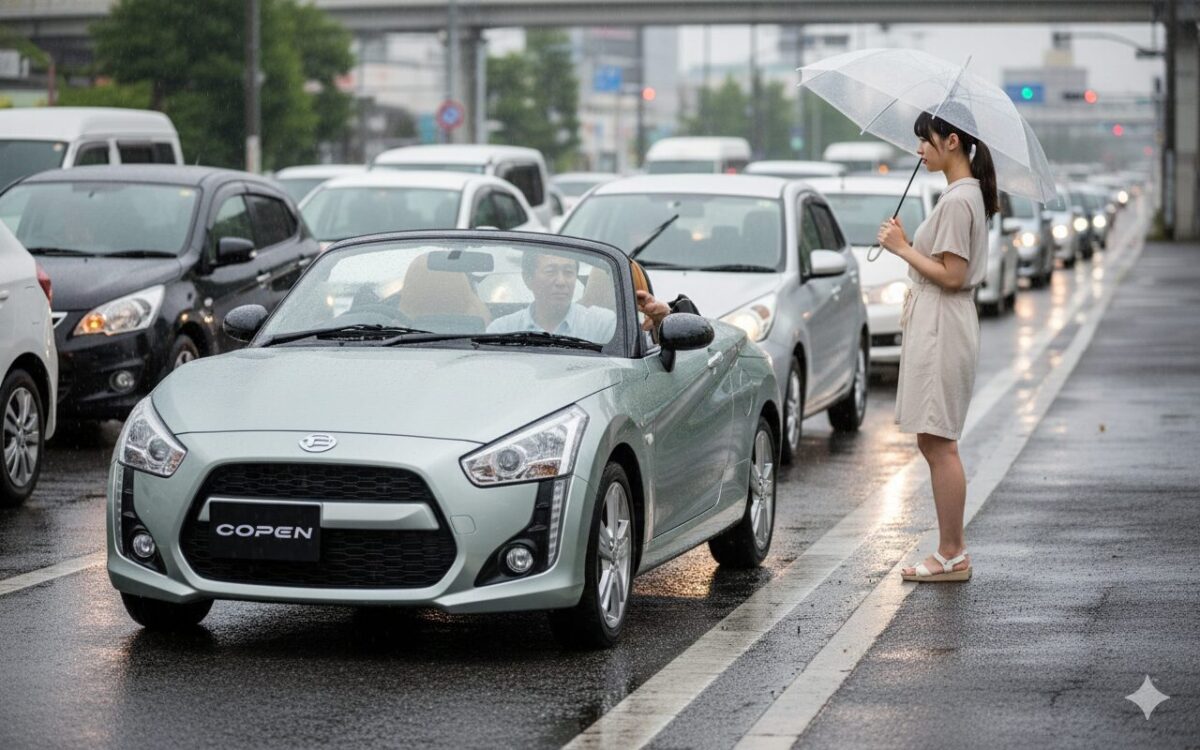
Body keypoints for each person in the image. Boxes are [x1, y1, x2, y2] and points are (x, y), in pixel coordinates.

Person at [876, 106, 998, 583]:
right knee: (933, 439)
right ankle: (951, 550)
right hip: (939, 322)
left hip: (943, 324)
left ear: (951, 142)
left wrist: (903, 248)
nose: (919, 149)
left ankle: (951, 553)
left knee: (940, 442)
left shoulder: (957, 200)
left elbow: (952, 274)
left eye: (926, 140)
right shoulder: (961, 195)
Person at [488, 250, 672, 343]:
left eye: (568, 272)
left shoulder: (603, 324)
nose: (561, 281)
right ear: (528, 279)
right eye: (551, 271)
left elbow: (646, 352)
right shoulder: (501, 330)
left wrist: (660, 323)